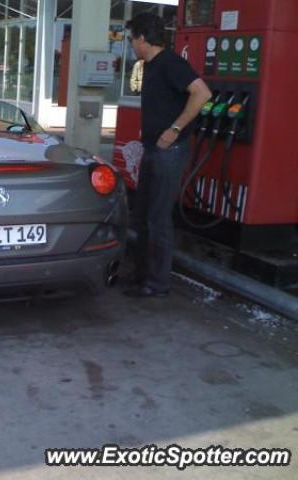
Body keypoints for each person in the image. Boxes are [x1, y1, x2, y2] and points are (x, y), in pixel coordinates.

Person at [123, 12, 211, 298]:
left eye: (132, 38)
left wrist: (174, 128)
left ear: (143, 38)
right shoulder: (149, 66)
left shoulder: (171, 63)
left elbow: (202, 93)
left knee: (158, 219)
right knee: (142, 215)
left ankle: (158, 283)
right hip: (152, 149)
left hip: (169, 151)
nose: (131, 44)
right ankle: (141, 276)